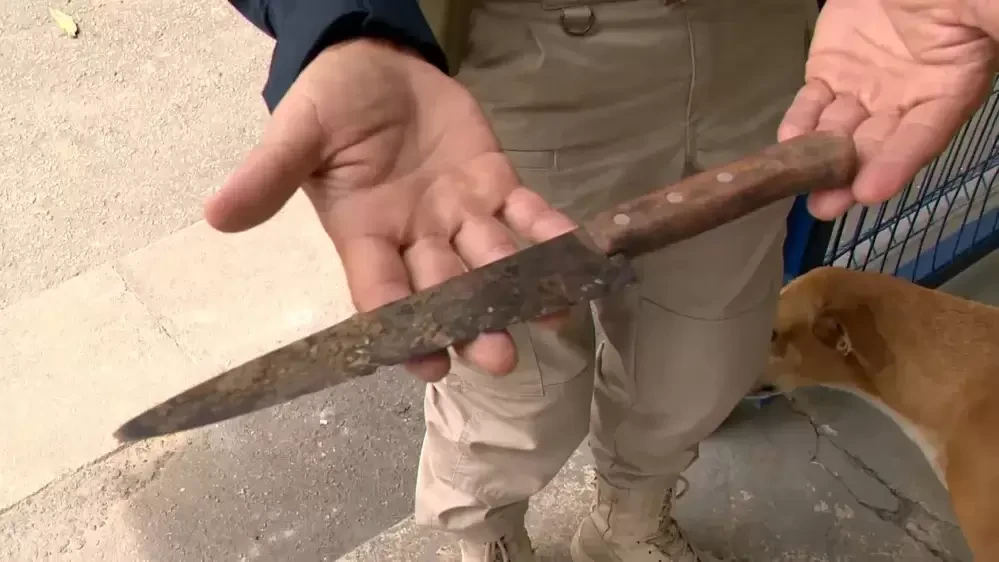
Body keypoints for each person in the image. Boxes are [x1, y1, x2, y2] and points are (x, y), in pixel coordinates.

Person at [215, 1, 997, 560]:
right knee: (515, 394)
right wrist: (345, 20)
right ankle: (486, 533)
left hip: (769, 53)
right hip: (518, 70)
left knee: (704, 361)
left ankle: (629, 525)